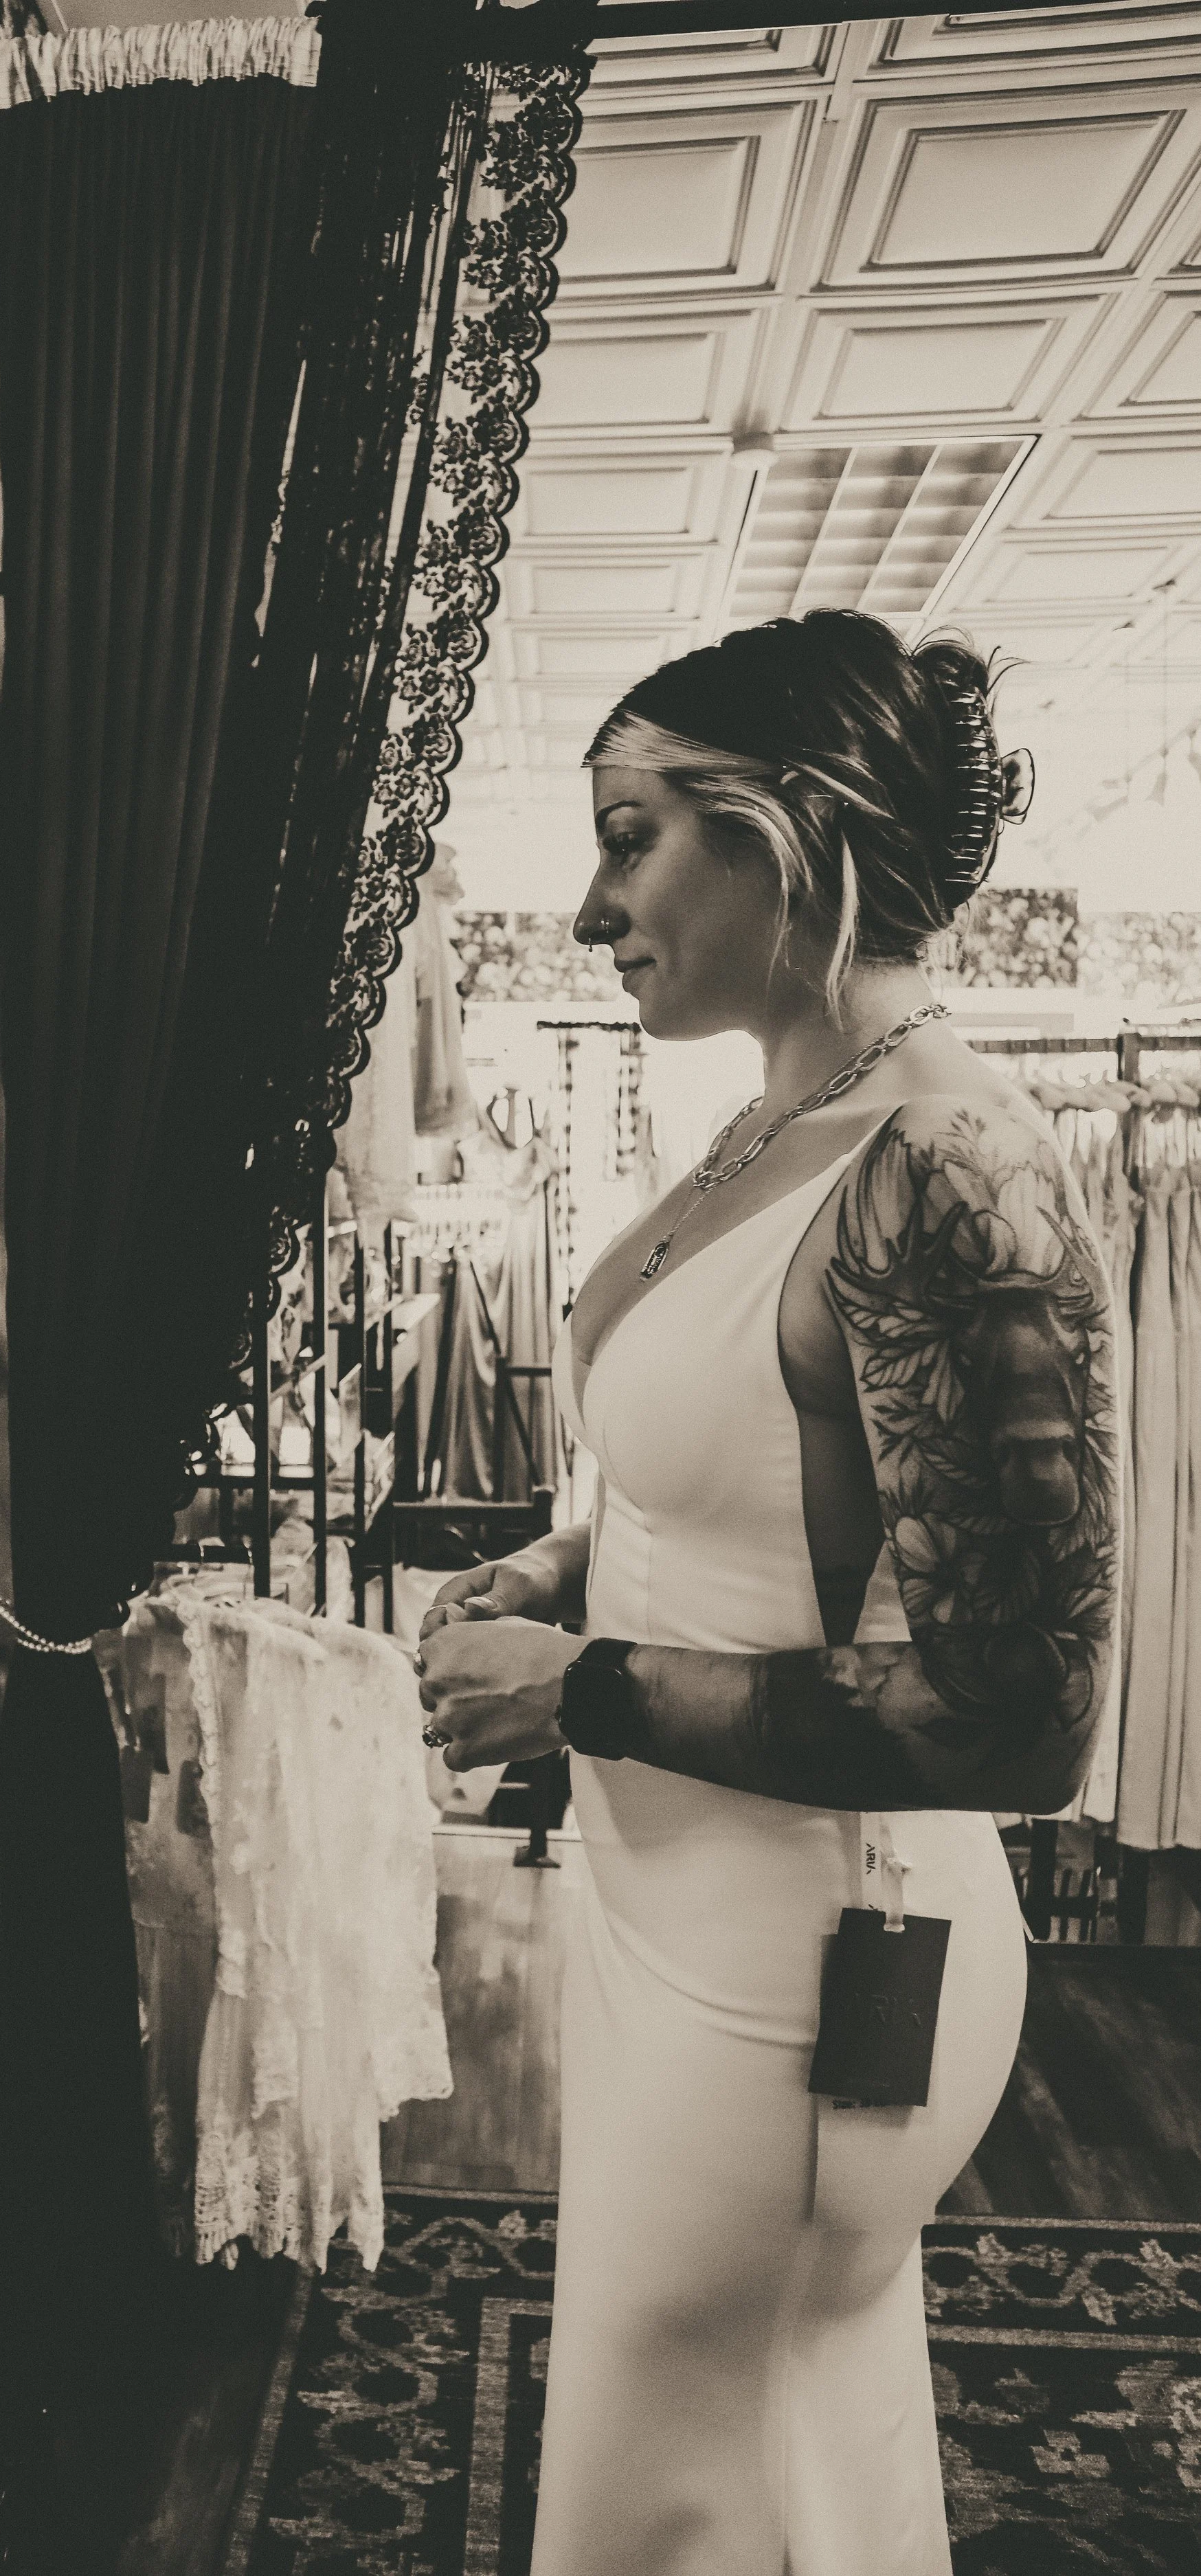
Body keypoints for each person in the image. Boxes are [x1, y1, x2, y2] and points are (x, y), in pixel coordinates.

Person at [413, 609, 1119, 2576]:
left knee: (673, 2474)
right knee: (773, 2457)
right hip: (688, 1914)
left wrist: (580, 1685)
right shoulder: (770, 1122)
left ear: (783, 834)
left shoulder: (948, 1166)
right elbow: (756, 1473)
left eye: (630, 837)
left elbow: (1012, 1716)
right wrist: (565, 1556)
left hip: (812, 1961)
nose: (586, 906)